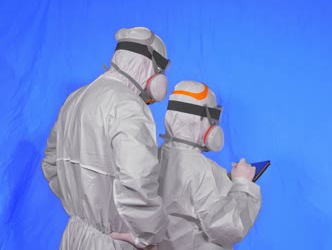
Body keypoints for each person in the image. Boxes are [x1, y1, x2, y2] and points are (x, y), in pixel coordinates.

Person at [41, 27, 170, 250]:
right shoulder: (129, 106)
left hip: (75, 235)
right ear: (149, 66)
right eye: (160, 71)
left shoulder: (76, 98)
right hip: (115, 242)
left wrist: (82, 207)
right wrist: (148, 236)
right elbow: (138, 182)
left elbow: (51, 162)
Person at [156, 80, 262, 250]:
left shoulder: (155, 156)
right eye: (211, 117)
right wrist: (242, 185)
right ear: (199, 120)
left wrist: (226, 182)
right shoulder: (202, 170)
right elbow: (229, 227)